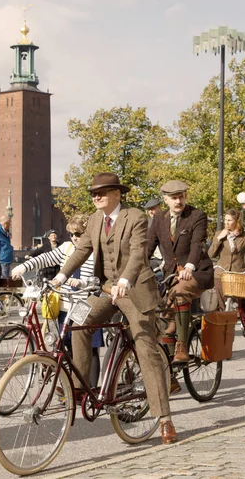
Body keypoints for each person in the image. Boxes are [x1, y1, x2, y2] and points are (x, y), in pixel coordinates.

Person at [52, 172, 177, 445]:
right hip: (108, 289)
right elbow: (81, 250)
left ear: (117, 194)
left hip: (135, 291)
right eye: (93, 193)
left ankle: (165, 418)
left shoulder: (135, 217)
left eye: (103, 192)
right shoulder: (95, 219)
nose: (96, 197)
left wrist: (125, 279)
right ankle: (80, 390)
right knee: (79, 324)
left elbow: (137, 253)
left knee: (146, 348)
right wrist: (61, 276)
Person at [12, 214, 103, 388]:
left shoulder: (95, 251)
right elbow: (46, 258)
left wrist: (84, 282)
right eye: (72, 234)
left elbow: (101, 278)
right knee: (65, 346)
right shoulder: (67, 248)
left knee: (89, 349)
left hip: (84, 303)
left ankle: (90, 388)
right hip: (65, 305)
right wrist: (23, 267)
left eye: (79, 234)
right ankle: (73, 387)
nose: (75, 238)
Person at [147, 180, 214, 368]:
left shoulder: (196, 215)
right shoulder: (159, 219)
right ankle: (170, 374)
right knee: (164, 321)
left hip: (196, 272)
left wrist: (190, 266)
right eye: (174, 198)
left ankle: (182, 347)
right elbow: (148, 247)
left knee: (180, 293)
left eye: (181, 197)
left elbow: (197, 244)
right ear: (165, 199)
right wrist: (133, 270)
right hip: (171, 276)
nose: (178, 201)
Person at [209, 209, 245, 345]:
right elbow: (210, 254)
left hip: (239, 274)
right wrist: (219, 239)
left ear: (236, 221)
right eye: (225, 220)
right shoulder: (219, 234)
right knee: (221, 305)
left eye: (229, 220)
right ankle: (223, 335)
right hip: (221, 273)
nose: (226, 223)